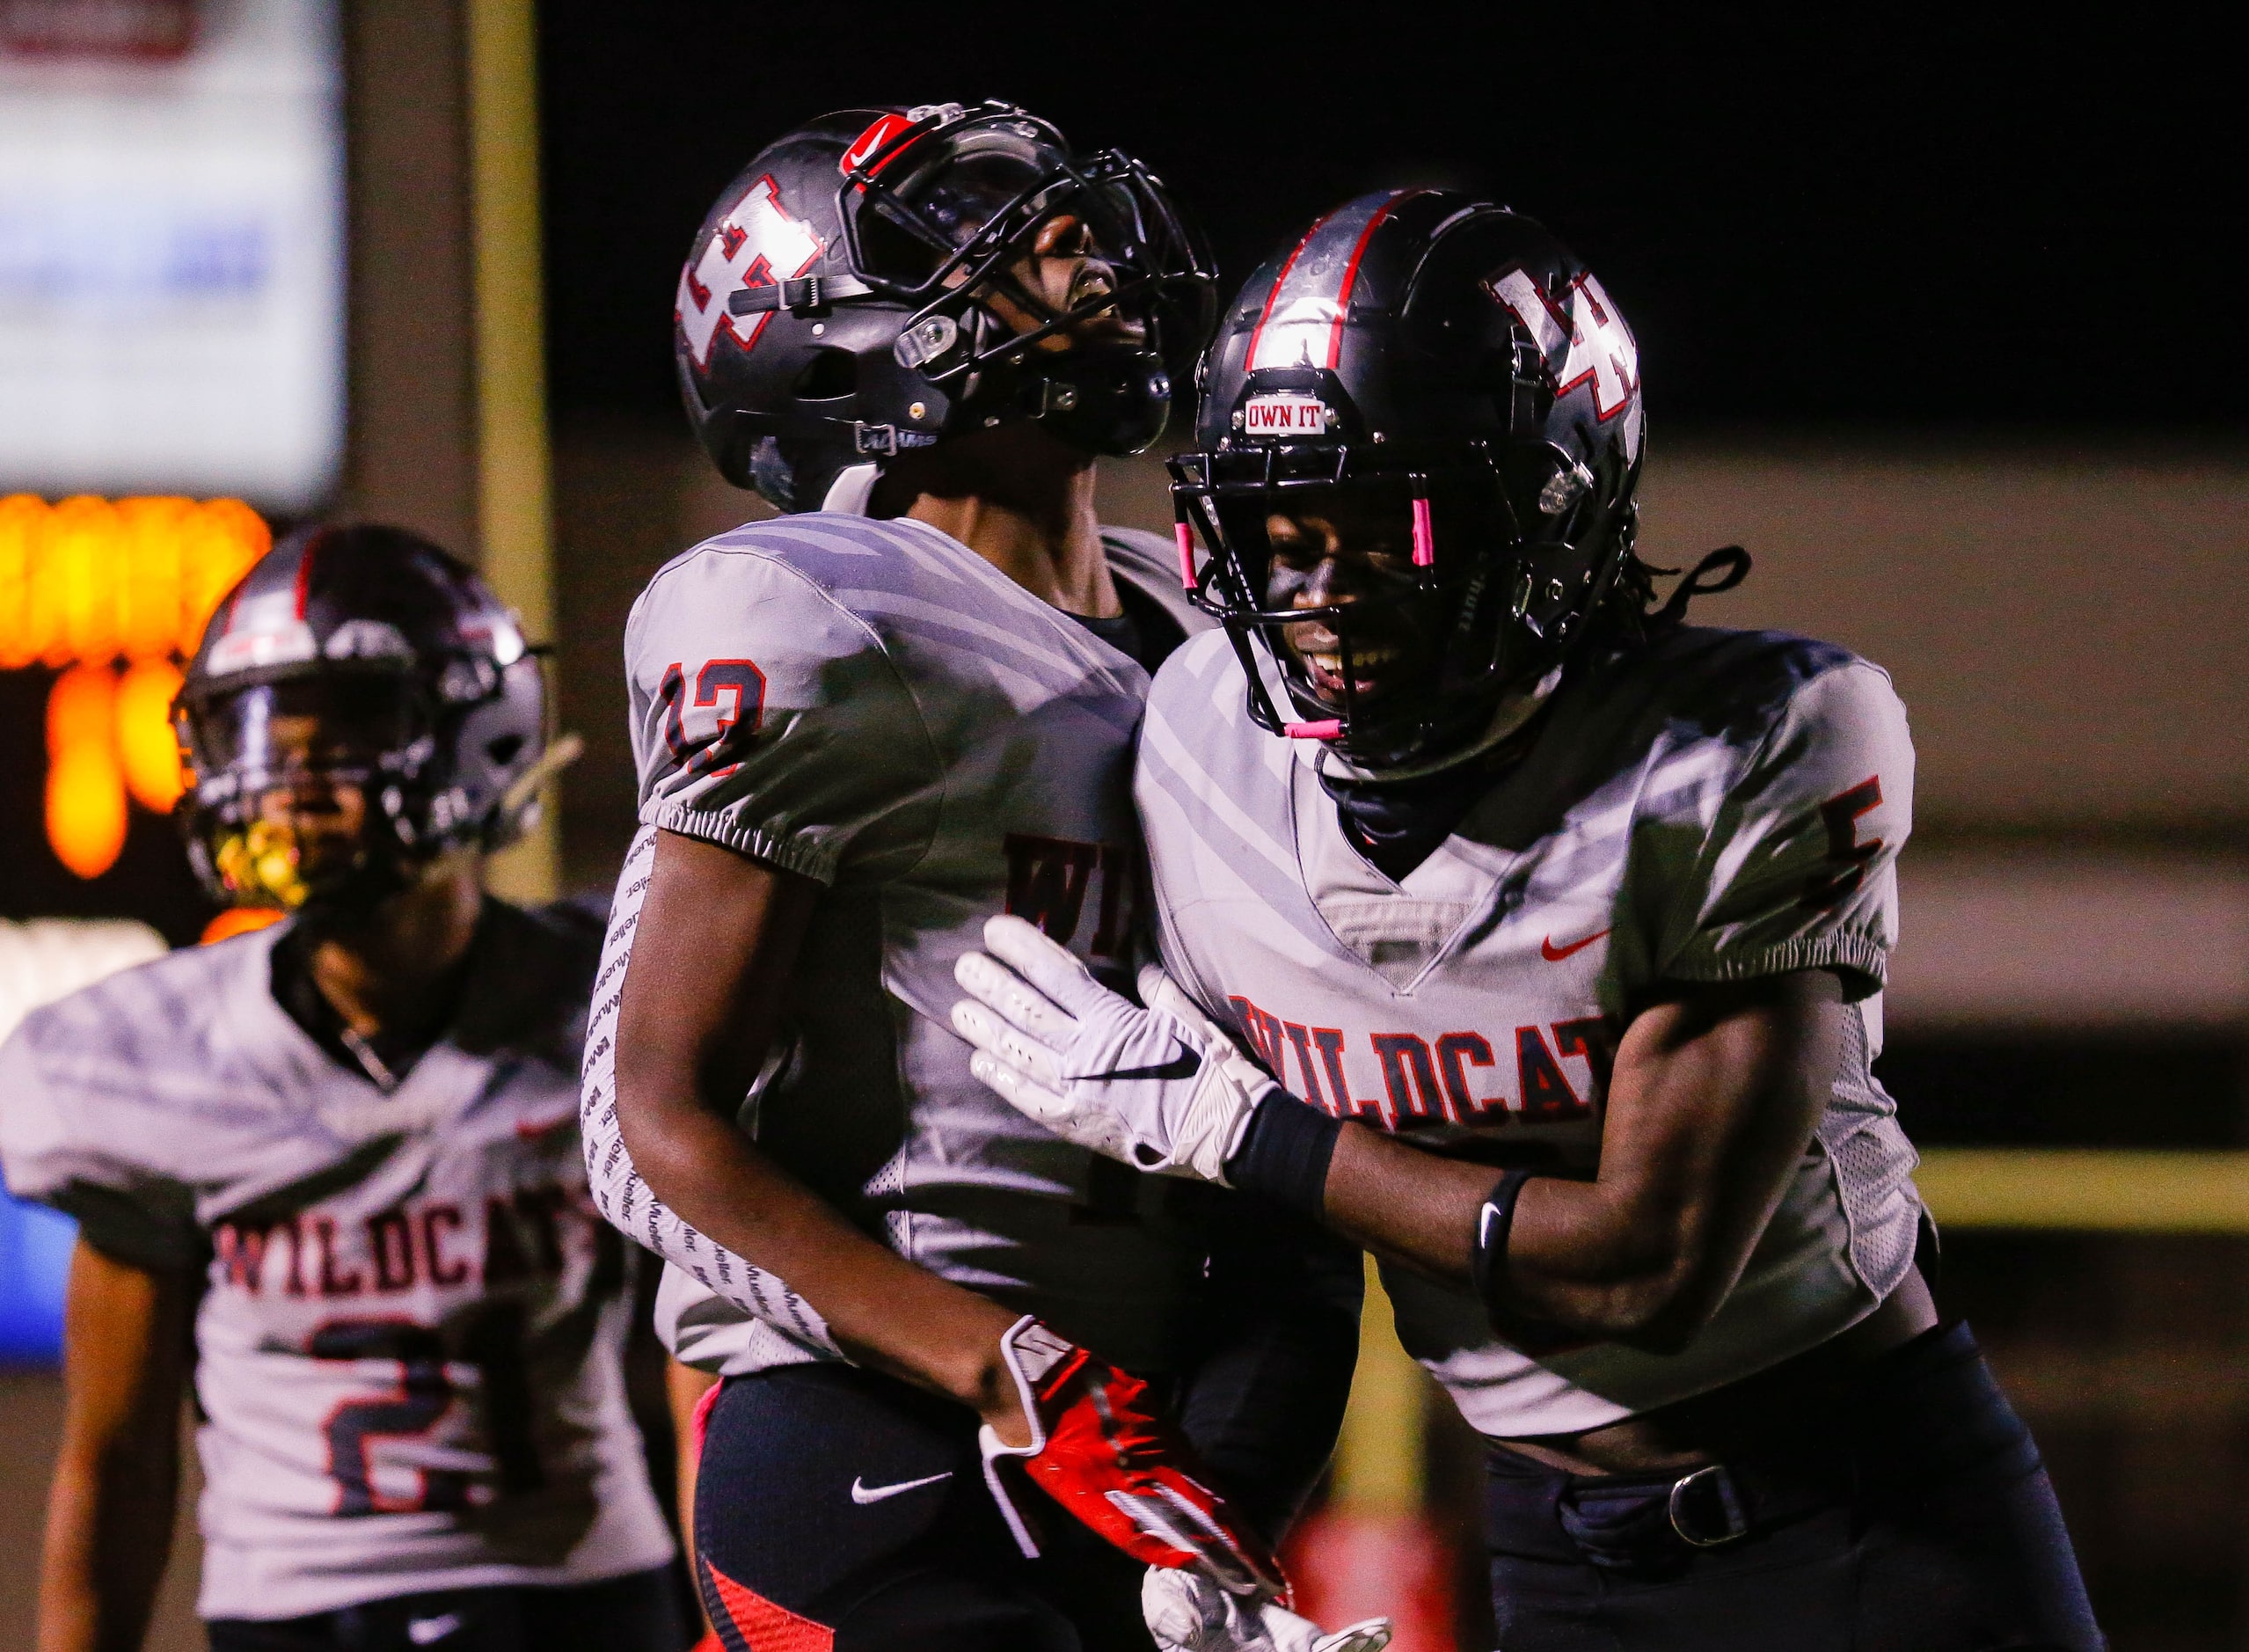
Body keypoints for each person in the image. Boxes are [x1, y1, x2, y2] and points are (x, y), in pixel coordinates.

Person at [952, 190, 2107, 1650]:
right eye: (1274, 528)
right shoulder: (1195, 739)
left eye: (1384, 522)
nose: (1317, 592)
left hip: (1860, 1515)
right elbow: (1279, 1245)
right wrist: (1227, 1512)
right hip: (1545, 1535)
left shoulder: (1755, 735)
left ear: (1552, 505)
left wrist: (1248, 1128)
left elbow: (1649, 1265)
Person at [580, 103, 1375, 1652]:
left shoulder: (1212, 633)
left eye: (1053, 213)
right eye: (977, 226)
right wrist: (1006, 1359)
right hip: (895, 1430)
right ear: (826, 336)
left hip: (1163, 1442)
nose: (1072, 244)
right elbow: (642, 1127)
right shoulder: (815, 614)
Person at [0, 526, 683, 1652]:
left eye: (347, 737)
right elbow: (116, 1454)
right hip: (300, 1614)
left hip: (578, 1600)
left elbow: (704, 1351)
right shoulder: (149, 1061)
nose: (290, 786)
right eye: (265, 739)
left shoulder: (607, 1001)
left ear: (485, 736)